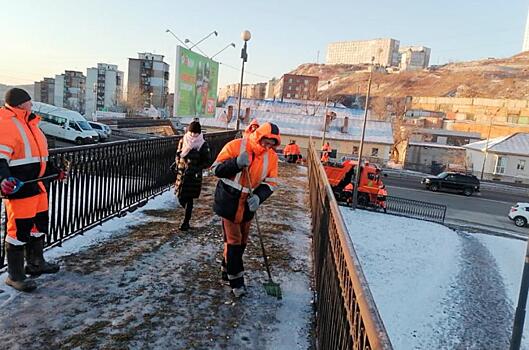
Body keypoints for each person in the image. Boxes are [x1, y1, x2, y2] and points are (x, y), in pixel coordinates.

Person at [0, 88, 65, 292]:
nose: (32, 104)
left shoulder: (30, 124)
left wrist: (55, 171)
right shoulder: (6, 124)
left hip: (38, 185)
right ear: (20, 104)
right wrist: (3, 179)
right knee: (18, 231)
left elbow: (40, 157)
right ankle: (15, 276)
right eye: (29, 101)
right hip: (21, 187)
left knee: (38, 226)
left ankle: (36, 263)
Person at [212, 122, 280, 298]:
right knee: (234, 241)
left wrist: (259, 197)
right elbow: (216, 170)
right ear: (260, 136)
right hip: (228, 200)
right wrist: (235, 163)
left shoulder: (271, 157)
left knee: (241, 242)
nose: (268, 146)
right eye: (266, 141)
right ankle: (237, 282)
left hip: (248, 204)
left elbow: (271, 182)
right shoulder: (236, 146)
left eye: (272, 144)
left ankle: (226, 270)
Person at [174, 121, 211, 231]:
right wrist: (177, 164)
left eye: (196, 133)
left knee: (189, 199)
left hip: (193, 176)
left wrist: (196, 168)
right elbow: (178, 154)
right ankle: (187, 215)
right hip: (182, 174)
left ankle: (185, 222)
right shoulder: (183, 140)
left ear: (199, 133)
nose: (193, 135)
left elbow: (207, 161)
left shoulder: (203, 144)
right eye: (191, 133)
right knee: (180, 197)